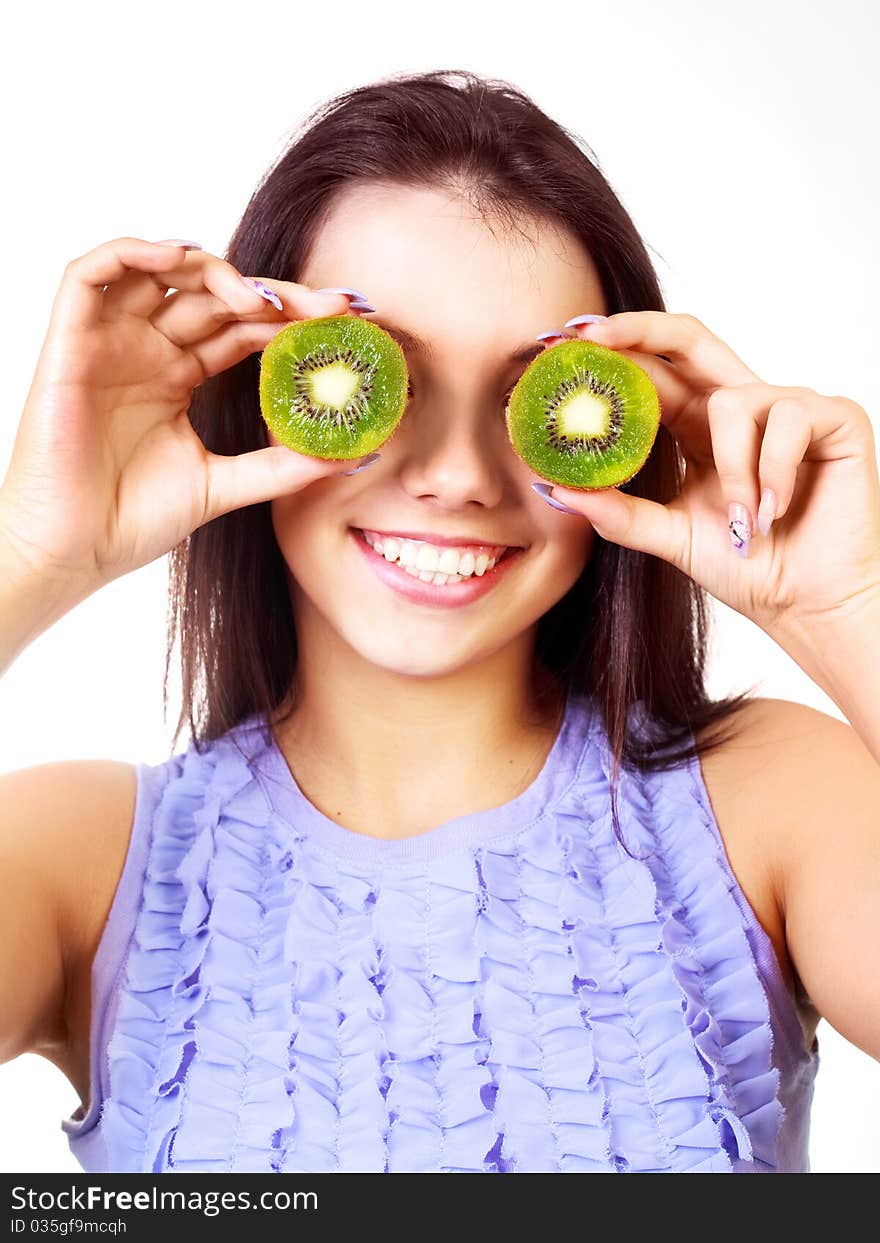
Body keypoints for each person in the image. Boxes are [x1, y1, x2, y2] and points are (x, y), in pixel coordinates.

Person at [1, 69, 878, 1176]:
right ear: (258, 388)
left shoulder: (766, 801)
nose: (460, 475)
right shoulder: (88, 859)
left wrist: (851, 608)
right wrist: (30, 554)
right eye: (388, 383)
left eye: (534, 400)